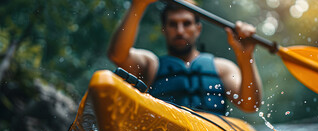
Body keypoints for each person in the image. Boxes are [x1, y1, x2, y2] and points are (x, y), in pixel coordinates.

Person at [108, 0, 262, 115]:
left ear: (198, 28)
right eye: (173, 24)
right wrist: (138, 5)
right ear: (164, 29)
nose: (180, 31)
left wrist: (245, 55)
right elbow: (117, 55)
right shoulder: (151, 65)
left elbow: (250, 105)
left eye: (186, 23)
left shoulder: (222, 68)